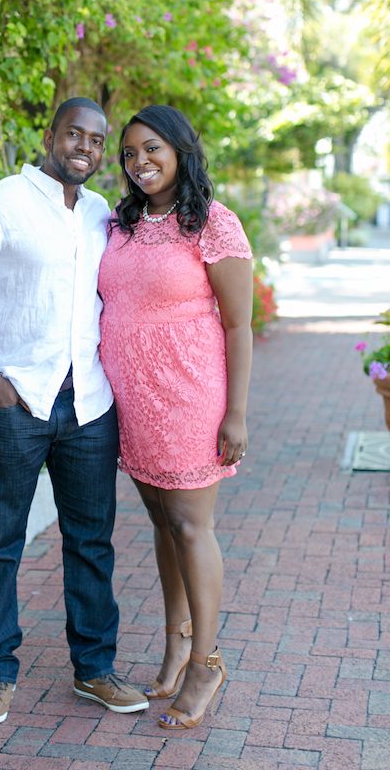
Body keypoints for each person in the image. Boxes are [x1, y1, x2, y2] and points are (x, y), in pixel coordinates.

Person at [0, 98, 148, 725]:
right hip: (14, 402)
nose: (86, 147)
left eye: (98, 141)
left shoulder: (103, 213)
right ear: (50, 136)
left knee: (91, 542)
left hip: (90, 404)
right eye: (74, 133)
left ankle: (95, 669)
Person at [98, 105, 253, 730]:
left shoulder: (212, 224)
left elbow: (239, 324)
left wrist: (236, 413)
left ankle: (206, 662)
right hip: (134, 400)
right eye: (130, 154)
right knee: (162, 524)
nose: (140, 163)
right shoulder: (122, 223)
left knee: (191, 526)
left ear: (182, 149)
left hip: (190, 394)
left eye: (151, 148)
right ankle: (175, 645)